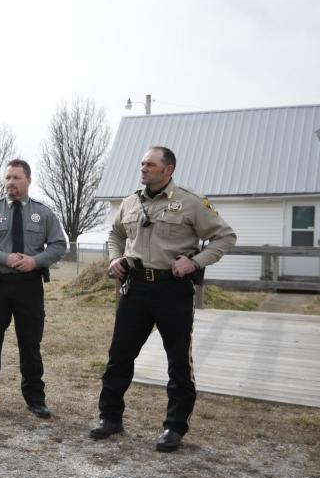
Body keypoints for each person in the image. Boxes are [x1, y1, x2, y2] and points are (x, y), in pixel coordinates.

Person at [90, 146, 236, 452]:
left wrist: (195, 262)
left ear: (168, 170)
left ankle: (174, 427)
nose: (143, 168)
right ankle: (110, 417)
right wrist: (115, 259)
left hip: (173, 288)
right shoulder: (131, 202)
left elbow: (225, 236)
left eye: (150, 165)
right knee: (119, 355)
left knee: (178, 360)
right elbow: (115, 235)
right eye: (142, 163)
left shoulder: (190, 202)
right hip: (136, 286)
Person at [0, 159, 67, 417]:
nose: (10, 182)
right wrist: (5, 257)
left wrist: (35, 261)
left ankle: (35, 399)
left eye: (16, 178)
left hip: (29, 287)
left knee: (30, 345)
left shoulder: (43, 213)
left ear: (28, 180)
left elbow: (58, 245)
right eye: (8, 177)